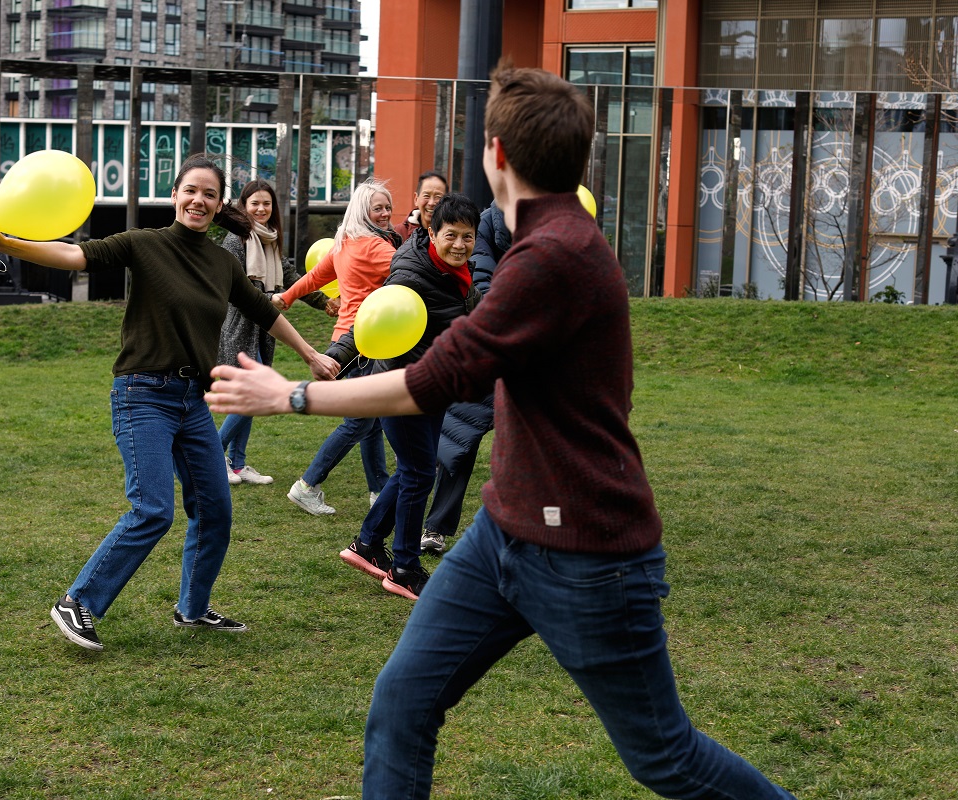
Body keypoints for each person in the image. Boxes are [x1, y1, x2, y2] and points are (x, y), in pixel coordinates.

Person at [204, 65, 799, 800]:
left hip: (588, 555)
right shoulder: (540, 242)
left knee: (665, 756)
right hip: (505, 536)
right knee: (402, 705)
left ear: (496, 156)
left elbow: (441, 377)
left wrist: (290, 395)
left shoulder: (557, 257)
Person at [0, 154, 339, 651]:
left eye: (209, 194)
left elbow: (264, 311)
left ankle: (192, 609)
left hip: (192, 401)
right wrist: (5, 242)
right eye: (191, 190)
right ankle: (78, 602)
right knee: (152, 509)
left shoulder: (222, 262)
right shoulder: (144, 243)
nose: (199, 200)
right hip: (141, 393)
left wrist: (312, 353)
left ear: (218, 203)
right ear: (174, 195)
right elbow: (75, 256)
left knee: (215, 509)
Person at [330, 193, 481, 600]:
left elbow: (469, 309)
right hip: (403, 385)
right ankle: (405, 568)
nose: (460, 245)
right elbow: (373, 318)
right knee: (419, 474)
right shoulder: (412, 275)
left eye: (468, 237)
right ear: (432, 232)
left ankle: (366, 543)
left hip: (432, 385)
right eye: (451, 235)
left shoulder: (457, 270)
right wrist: (335, 356)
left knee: (415, 468)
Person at [271, 180, 400, 516]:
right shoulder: (374, 247)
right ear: (363, 211)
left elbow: (314, 277)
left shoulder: (345, 244)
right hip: (364, 343)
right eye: (378, 208)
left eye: (388, 207)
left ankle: (379, 490)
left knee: (368, 421)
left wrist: (287, 297)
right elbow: (415, 268)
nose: (386, 213)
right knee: (360, 421)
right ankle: (307, 485)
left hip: (346, 340)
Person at [216, 178, 331, 487]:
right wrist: (270, 300)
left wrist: (324, 303)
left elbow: (293, 278)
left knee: (250, 396)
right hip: (240, 329)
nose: (261, 208)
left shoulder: (270, 239)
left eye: (266, 203)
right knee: (251, 395)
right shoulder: (235, 241)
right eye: (255, 203)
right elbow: (231, 290)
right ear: (244, 206)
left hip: (265, 329)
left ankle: (237, 464)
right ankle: (215, 455)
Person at [420, 199, 510, 554]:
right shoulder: (486, 224)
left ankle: (530, 526)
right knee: (461, 438)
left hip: (533, 347)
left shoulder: (554, 223)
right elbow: (481, 278)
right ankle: (435, 526)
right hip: (490, 342)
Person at [392, 170, 448, 242]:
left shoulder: (454, 234)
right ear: (416, 199)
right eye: (426, 196)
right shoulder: (398, 233)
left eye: (438, 197)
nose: (431, 203)